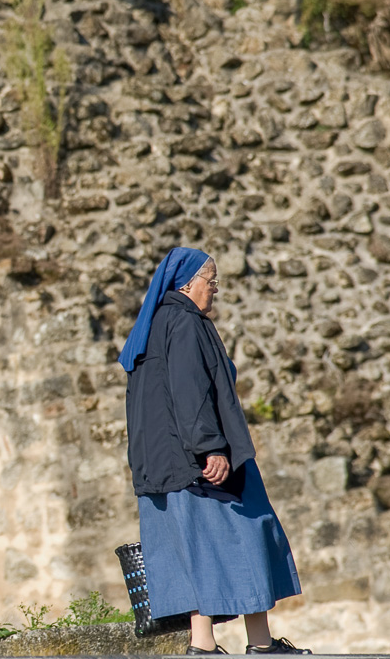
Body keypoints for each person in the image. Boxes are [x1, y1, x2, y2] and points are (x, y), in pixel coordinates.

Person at [120, 247, 309, 655]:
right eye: (212, 281)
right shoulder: (185, 322)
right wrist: (211, 449)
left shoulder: (153, 326)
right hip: (201, 462)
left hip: (164, 467)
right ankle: (260, 643)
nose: (216, 290)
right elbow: (191, 392)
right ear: (187, 283)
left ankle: (202, 645)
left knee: (195, 549)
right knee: (248, 535)